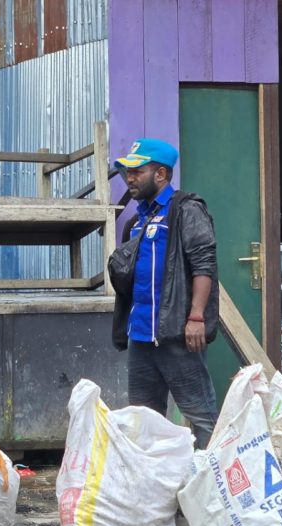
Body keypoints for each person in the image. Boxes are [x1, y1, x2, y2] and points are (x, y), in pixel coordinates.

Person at [111, 138, 219, 449]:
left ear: (160, 174)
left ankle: (210, 474)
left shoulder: (186, 210)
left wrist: (196, 317)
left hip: (178, 335)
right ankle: (155, 477)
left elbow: (204, 265)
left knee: (201, 416)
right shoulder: (136, 221)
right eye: (127, 173)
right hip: (141, 336)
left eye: (137, 172)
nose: (130, 178)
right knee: (144, 419)